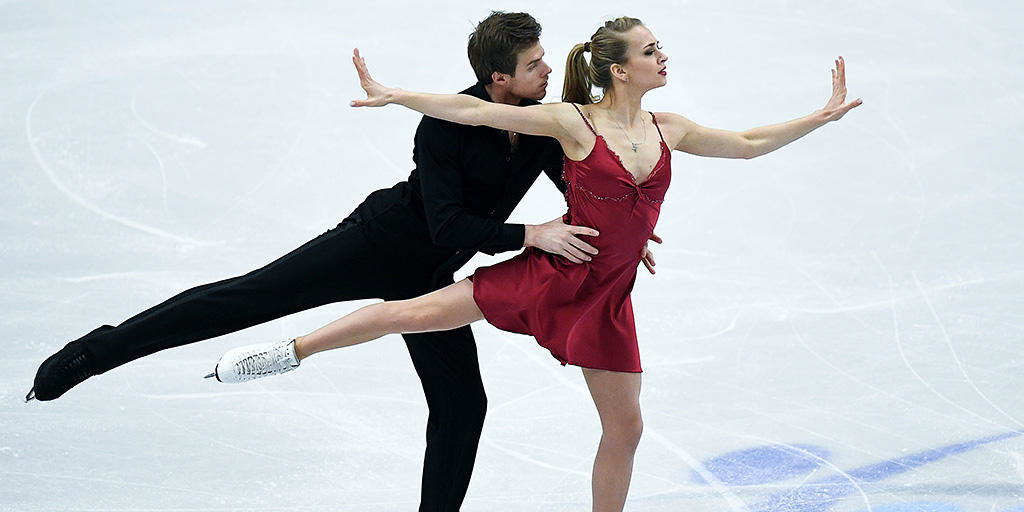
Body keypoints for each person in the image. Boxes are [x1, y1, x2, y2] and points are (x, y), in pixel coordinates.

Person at [209, 16, 862, 511]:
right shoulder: (574, 123)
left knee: (626, 427)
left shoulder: (670, 127)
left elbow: (747, 143)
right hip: (554, 274)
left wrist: (821, 117)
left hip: (607, 296)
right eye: (650, 51)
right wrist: (399, 95)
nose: (662, 56)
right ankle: (288, 352)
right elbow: (475, 110)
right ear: (620, 71)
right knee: (413, 313)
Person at [26, 11, 647, 512]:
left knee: (463, 405)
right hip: (374, 245)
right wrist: (528, 234)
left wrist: (624, 234)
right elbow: (446, 224)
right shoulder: (444, 128)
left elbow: (581, 185)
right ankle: (97, 351)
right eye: (534, 64)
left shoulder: (537, 125)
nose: (547, 70)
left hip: (429, 276)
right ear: (498, 78)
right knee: (245, 298)